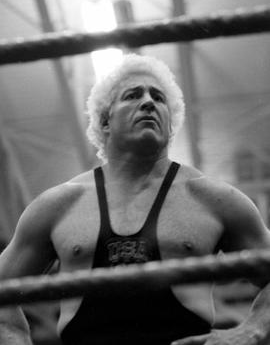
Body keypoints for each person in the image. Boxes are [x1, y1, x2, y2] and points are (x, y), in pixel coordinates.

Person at [0, 53, 270, 345]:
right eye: (133, 95)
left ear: (171, 123)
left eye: (159, 97)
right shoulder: (58, 205)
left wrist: (251, 331)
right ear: (105, 121)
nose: (149, 102)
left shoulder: (215, 199)